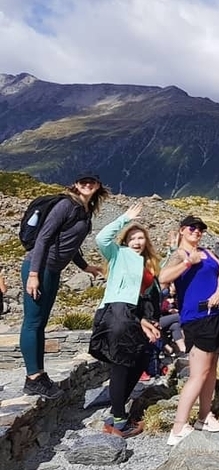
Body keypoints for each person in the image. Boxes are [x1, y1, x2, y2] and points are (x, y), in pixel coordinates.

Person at [20, 172, 108, 399]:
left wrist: (85, 267)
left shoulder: (84, 210)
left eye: (92, 182)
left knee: (40, 323)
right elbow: (43, 239)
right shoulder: (65, 205)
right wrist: (33, 274)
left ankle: (38, 375)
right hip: (40, 268)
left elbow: (71, 243)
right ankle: (33, 377)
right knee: (32, 322)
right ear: (76, 184)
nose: (87, 185)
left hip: (52, 270)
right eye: (83, 181)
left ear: (97, 186)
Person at [88, 201, 162, 437]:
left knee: (139, 360)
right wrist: (125, 218)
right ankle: (119, 420)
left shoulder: (146, 264)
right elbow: (101, 238)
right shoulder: (118, 254)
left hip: (131, 316)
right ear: (125, 241)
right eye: (132, 238)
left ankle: (116, 411)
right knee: (121, 363)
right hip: (115, 313)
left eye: (140, 238)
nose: (137, 242)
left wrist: (147, 322)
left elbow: (141, 299)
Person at [159, 215, 219, 445]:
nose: (196, 232)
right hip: (197, 318)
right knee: (198, 373)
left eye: (200, 229)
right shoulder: (180, 254)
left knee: (211, 371)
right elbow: (163, 277)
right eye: (192, 228)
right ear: (181, 230)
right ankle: (178, 426)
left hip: (216, 316)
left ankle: (204, 416)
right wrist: (189, 263)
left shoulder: (207, 252)